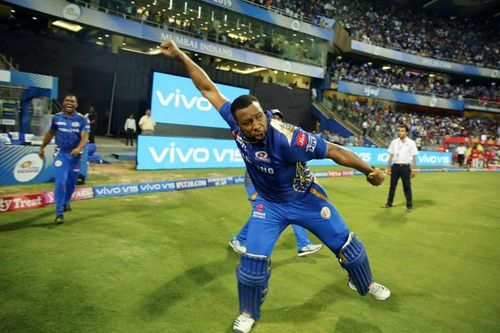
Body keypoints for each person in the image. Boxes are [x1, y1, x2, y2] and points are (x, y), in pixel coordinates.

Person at [160, 39, 390, 333]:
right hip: (268, 205)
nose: (256, 125)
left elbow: (334, 151)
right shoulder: (233, 119)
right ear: (237, 123)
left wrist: (369, 171)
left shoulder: (289, 137)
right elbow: (207, 88)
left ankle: (365, 282)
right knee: (251, 267)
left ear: (263, 112)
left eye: (259, 117)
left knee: (348, 247)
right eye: (248, 122)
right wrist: (179, 54)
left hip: (307, 199)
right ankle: (248, 313)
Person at [229, 109, 323, 257]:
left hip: (272, 189)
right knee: (262, 213)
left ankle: (303, 244)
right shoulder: (258, 140)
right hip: (254, 184)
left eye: (280, 118)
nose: (277, 121)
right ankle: (239, 239)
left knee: (287, 209)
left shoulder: (281, 140)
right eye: (274, 118)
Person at [38, 94, 89, 224]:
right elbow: (50, 133)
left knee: (71, 184)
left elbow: (85, 137)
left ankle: (66, 201)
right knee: (60, 182)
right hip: (61, 154)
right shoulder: (56, 118)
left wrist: (78, 148)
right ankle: (59, 213)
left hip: (75, 156)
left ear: (76, 104)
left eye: (72, 101)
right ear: (63, 102)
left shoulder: (82, 120)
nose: (69, 103)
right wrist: (42, 147)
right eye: (67, 100)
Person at [382, 124, 418, 212]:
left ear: (407, 132)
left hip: (405, 167)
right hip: (395, 166)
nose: (400, 132)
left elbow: (414, 156)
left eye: (402, 131)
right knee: (392, 186)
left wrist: (413, 169)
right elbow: (391, 155)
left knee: (407, 187)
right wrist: (388, 167)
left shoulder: (411, 143)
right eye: (399, 131)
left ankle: (409, 206)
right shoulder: (394, 142)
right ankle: (389, 203)